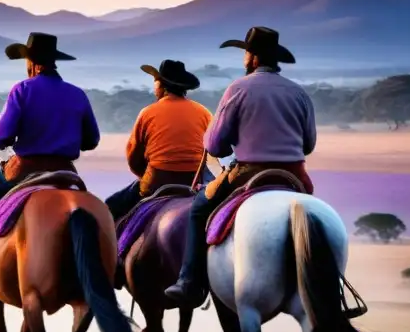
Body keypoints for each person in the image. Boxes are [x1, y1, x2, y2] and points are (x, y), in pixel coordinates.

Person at [164, 27, 316, 308]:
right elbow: (308, 144)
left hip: (247, 173)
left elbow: (215, 145)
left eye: (246, 52)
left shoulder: (237, 89)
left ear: (254, 58)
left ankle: (188, 282)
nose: (245, 58)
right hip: (295, 176)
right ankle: (336, 288)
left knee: (198, 209)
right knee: (315, 222)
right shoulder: (299, 93)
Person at [0, 33, 100, 293]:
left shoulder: (22, 90)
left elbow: (2, 137)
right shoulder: (77, 94)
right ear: (53, 62)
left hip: (25, 169)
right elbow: (91, 140)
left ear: (33, 63)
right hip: (65, 172)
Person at [105, 60, 211, 222]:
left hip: (157, 181)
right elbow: (211, 148)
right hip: (194, 180)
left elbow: (134, 158)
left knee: (111, 206)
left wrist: (144, 174)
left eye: (155, 81)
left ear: (162, 86)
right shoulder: (204, 112)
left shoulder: (147, 113)